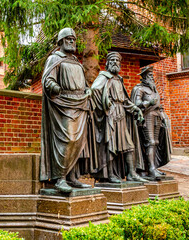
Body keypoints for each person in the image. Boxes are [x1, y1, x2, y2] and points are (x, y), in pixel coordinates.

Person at [40, 28, 97, 193]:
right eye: (69, 39)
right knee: (68, 140)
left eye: (74, 39)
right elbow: (47, 79)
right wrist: (54, 86)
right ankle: (60, 178)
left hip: (80, 104)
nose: (72, 42)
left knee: (79, 143)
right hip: (63, 104)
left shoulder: (77, 63)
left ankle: (72, 177)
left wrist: (88, 90)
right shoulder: (55, 59)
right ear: (61, 42)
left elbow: (83, 84)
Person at [91, 52, 147, 183]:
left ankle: (132, 173)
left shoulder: (119, 79)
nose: (115, 62)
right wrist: (106, 103)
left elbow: (125, 101)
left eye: (117, 61)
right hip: (110, 115)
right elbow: (94, 90)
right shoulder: (104, 77)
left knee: (129, 145)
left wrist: (135, 108)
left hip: (121, 114)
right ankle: (110, 175)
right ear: (107, 63)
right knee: (111, 145)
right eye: (112, 60)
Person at [131, 66, 172, 179]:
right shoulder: (139, 89)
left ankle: (153, 167)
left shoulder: (154, 90)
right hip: (146, 117)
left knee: (156, 142)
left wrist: (163, 115)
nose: (152, 78)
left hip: (157, 116)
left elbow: (159, 105)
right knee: (150, 142)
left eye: (152, 76)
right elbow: (136, 103)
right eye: (149, 76)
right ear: (144, 77)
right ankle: (150, 169)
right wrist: (148, 103)